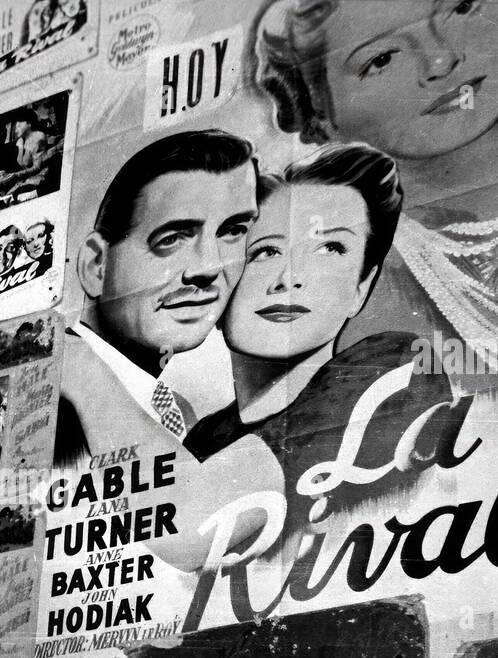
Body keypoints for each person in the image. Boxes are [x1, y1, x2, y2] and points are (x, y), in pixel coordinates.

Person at [250, 0, 498, 386]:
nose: (441, 60)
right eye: (381, 59)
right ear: (321, 115)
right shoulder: (344, 288)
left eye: (461, 8)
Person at [184, 142, 455, 537]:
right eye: (264, 252)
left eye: (330, 247)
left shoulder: (397, 369)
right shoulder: (204, 439)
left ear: (361, 286)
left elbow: (198, 524)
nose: (289, 278)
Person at [56, 128, 259, 463]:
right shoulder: (55, 415)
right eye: (172, 238)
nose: (208, 267)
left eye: (233, 231)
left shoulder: (176, 409)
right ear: (96, 265)